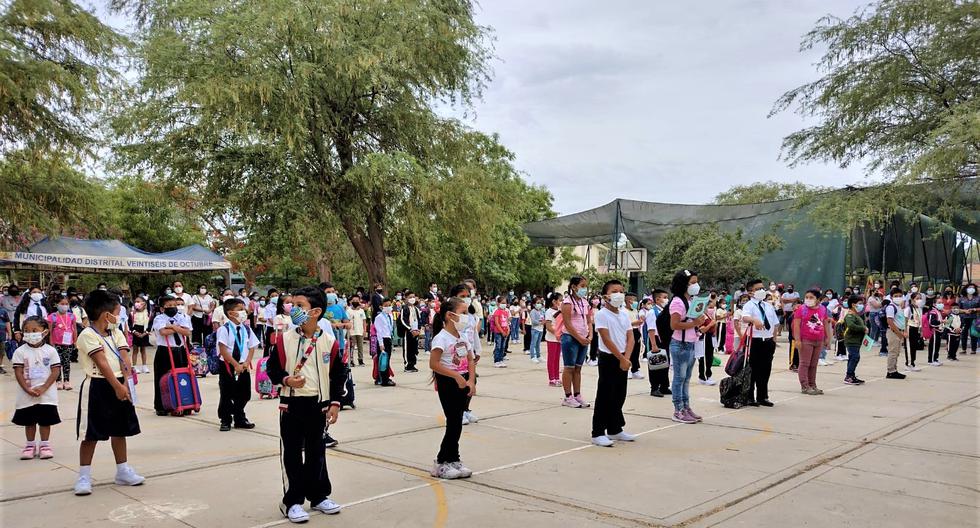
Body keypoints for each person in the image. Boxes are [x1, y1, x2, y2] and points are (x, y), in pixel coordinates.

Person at [266, 286, 343, 523]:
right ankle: (292, 501)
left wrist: (335, 403)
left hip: (318, 405)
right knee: (291, 454)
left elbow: (338, 373)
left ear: (316, 311)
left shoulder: (329, 341)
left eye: (300, 306)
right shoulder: (284, 339)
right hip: (291, 405)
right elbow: (272, 368)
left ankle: (319, 496)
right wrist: (286, 380)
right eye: (293, 305)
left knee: (316, 453)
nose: (293, 309)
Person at [73, 290, 143, 496]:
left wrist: (127, 382)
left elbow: (124, 356)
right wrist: (117, 386)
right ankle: (84, 476)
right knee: (91, 434)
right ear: (106, 315)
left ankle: (123, 470)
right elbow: (102, 363)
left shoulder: (116, 332)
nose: (119, 316)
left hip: (120, 383)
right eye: (117, 312)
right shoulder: (87, 335)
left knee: (120, 430)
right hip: (98, 386)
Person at [428, 297, 477, 478]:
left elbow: (471, 359)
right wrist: (456, 376)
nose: (466, 317)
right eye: (463, 313)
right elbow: (434, 364)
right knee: (454, 423)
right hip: (448, 383)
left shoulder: (462, 337)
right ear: (450, 315)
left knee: (457, 423)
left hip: (463, 382)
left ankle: (454, 458)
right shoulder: (441, 338)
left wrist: (471, 380)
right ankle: (441, 461)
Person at [590, 279, 636, 447]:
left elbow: (630, 337)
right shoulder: (602, 314)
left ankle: (615, 428)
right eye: (614, 291)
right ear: (606, 296)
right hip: (609, 358)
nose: (619, 294)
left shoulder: (624, 313)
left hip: (624, 358)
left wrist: (627, 358)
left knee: (619, 394)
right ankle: (598, 432)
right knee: (605, 394)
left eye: (621, 291)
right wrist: (621, 358)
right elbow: (606, 338)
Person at [12, 317, 61, 460]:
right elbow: (18, 372)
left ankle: (45, 445)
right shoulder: (20, 352)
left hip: (46, 394)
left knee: (45, 420)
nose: (29, 334)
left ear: (44, 332)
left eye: (34, 331)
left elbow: (55, 371)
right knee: (29, 421)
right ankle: (30, 445)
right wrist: (27, 389)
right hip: (27, 393)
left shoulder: (50, 351)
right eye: (26, 331)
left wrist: (44, 387)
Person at [216, 297, 259, 430]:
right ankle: (226, 419)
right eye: (239, 310)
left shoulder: (246, 329)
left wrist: (247, 362)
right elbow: (223, 350)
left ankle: (239, 417)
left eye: (243, 309)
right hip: (228, 365)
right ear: (230, 313)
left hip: (243, 365)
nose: (243, 312)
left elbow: (252, 346)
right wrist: (235, 365)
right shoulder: (224, 329)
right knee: (227, 393)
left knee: (245, 394)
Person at [669, 270, 707, 423]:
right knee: (680, 378)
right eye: (692, 282)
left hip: (690, 343)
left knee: (686, 378)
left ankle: (686, 407)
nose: (695, 285)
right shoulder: (677, 302)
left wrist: (698, 322)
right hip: (680, 344)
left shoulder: (691, 300)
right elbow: (674, 324)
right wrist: (694, 323)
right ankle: (678, 409)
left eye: (696, 282)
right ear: (683, 284)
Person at [150, 296, 193, 416]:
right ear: (163, 308)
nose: (173, 308)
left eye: (174, 305)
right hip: (164, 350)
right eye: (169, 306)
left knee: (182, 376)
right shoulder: (159, 318)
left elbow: (187, 332)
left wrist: (173, 326)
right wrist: (179, 328)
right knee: (162, 377)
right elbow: (163, 332)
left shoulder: (182, 316)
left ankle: (184, 401)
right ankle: (161, 405)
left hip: (180, 350)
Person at [741, 279, 779, 407]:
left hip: (768, 342)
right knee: (753, 369)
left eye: (763, 288)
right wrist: (754, 319)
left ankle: (763, 396)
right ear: (750, 292)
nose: (762, 291)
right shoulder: (749, 305)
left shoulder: (768, 306)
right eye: (758, 289)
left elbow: (774, 324)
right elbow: (745, 317)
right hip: (755, 341)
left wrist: (774, 340)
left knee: (765, 370)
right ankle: (750, 396)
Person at [560, 276, 593, 408]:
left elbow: (589, 320)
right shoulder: (567, 303)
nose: (585, 289)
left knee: (578, 368)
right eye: (583, 286)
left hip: (584, 338)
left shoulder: (585, 302)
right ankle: (568, 397)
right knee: (569, 368)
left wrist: (590, 335)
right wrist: (579, 338)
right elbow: (567, 324)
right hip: (570, 338)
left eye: (586, 286)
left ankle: (577, 395)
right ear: (574, 287)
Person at [792, 289, 831, 395]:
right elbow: (796, 325)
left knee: (814, 364)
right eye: (807, 297)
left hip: (819, 340)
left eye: (811, 297)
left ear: (818, 300)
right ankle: (805, 386)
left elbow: (825, 323)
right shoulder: (801, 309)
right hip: (806, 340)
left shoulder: (823, 309)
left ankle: (812, 385)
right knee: (804, 363)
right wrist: (798, 340)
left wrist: (827, 338)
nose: (808, 300)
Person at [45, 297, 77, 391]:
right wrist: (51, 343)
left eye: (66, 304)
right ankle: (58, 380)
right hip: (56, 342)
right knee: (57, 362)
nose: (64, 306)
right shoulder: (52, 316)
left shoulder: (71, 316)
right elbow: (50, 331)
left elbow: (74, 328)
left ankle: (67, 380)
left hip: (68, 342)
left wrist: (75, 340)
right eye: (62, 304)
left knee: (66, 362)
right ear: (57, 305)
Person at [645, 289, 671, 397]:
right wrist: (654, 345)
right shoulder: (652, 312)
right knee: (655, 364)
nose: (666, 299)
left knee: (665, 364)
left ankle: (664, 386)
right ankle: (654, 388)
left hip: (665, 340)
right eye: (664, 297)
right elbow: (651, 329)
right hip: (656, 340)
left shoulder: (665, 311)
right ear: (657, 299)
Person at [842, 295, 867, 385]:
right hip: (852, 340)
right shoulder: (850, 315)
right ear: (853, 304)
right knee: (854, 357)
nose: (862, 306)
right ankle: (849, 376)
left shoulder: (856, 315)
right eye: (859, 303)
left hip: (857, 340)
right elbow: (851, 326)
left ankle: (851, 375)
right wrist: (863, 328)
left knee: (853, 357)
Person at [884, 288, 909, 379]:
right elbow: (890, 321)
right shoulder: (891, 307)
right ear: (891, 297)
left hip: (898, 331)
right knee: (893, 352)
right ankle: (891, 371)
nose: (898, 298)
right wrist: (898, 333)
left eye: (900, 296)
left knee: (896, 352)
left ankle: (894, 369)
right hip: (893, 332)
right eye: (895, 296)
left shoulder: (899, 307)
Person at [372, 299, 396, 386]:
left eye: (389, 305)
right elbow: (379, 331)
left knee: (386, 359)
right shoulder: (379, 317)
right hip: (382, 339)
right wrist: (381, 344)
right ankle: (384, 379)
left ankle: (381, 377)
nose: (388, 307)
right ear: (381, 307)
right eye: (386, 305)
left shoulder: (390, 315)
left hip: (388, 338)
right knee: (383, 360)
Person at [398, 291, 421, 372]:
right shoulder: (404, 309)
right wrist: (410, 329)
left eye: (413, 297)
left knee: (414, 348)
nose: (412, 299)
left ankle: (413, 364)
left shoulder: (416, 309)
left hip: (416, 332)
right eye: (410, 297)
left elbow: (419, 320)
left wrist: (418, 329)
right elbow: (402, 320)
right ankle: (407, 365)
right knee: (407, 348)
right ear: (406, 299)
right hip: (408, 332)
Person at [543, 293, 563, 386]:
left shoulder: (560, 311)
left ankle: (557, 377)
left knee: (557, 359)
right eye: (560, 300)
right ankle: (552, 379)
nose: (561, 302)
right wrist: (557, 332)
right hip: (552, 339)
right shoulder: (549, 312)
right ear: (554, 301)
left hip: (559, 338)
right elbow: (548, 327)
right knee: (552, 359)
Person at [624, 292, 645, 380]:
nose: (635, 302)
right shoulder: (623, 311)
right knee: (629, 350)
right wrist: (634, 323)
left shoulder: (635, 310)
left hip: (636, 331)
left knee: (636, 351)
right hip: (628, 331)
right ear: (628, 300)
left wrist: (640, 322)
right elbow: (624, 324)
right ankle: (627, 369)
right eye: (633, 300)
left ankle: (635, 370)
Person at [129, 297, 151, 375]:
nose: (136, 303)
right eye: (135, 302)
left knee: (143, 349)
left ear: (144, 303)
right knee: (135, 350)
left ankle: (144, 366)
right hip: (136, 332)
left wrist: (146, 332)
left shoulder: (148, 313)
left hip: (144, 332)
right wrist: (134, 332)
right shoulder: (132, 313)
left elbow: (150, 323)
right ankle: (134, 366)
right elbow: (129, 324)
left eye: (138, 301)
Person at [490, 296, 510, 367]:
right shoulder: (497, 312)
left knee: (503, 346)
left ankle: (501, 360)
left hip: (505, 331)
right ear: (498, 303)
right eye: (502, 303)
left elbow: (507, 322)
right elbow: (497, 323)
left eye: (505, 303)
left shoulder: (506, 312)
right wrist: (502, 331)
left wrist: (508, 330)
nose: (504, 304)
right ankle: (496, 361)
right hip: (498, 332)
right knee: (498, 346)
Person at [905, 292, 924, 372]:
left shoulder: (919, 309)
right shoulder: (909, 308)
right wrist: (905, 331)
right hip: (910, 328)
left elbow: (920, 320)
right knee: (909, 347)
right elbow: (905, 320)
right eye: (917, 298)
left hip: (916, 328)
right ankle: (909, 364)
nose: (919, 300)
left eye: (920, 298)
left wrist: (921, 330)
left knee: (914, 347)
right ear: (912, 300)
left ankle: (913, 363)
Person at [958, 283, 979, 354]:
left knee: (973, 333)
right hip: (964, 318)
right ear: (966, 288)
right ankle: (963, 349)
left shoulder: (978, 298)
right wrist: (964, 311)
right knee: (964, 333)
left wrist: (974, 309)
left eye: (973, 288)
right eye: (970, 287)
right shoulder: (962, 298)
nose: (971, 289)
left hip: (974, 318)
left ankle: (973, 349)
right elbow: (957, 309)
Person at [923, 296, 943, 366]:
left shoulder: (938, 312)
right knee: (933, 346)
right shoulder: (933, 312)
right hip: (934, 331)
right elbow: (932, 322)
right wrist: (941, 322)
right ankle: (931, 360)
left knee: (937, 345)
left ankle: (935, 359)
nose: (941, 304)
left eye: (942, 303)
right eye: (939, 303)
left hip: (938, 331)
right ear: (934, 304)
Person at [347, 298, 367, 366]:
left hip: (360, 331)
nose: (355, 302)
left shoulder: (361, 311)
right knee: (352, 346)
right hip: (352, 331)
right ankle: (351, 360)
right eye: (354, 301)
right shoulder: (348, 311)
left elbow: (364, 321)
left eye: (357, 301)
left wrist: (365, 330)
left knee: (360, 346)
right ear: (351, 302)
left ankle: (360, 360)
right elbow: (347, 321)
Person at [528, 298, 545, 364]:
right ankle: (532, 356)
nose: (539, 304)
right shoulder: (533, 311)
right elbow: (533, 321)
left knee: (538, 344)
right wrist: (540, 322)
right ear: (534, 304)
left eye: (540, 303)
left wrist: (543, 322)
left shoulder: (541, 311)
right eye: (538, 303)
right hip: (535, 329)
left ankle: (538, 356)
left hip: (541, 329)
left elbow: (543, 318)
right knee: (533, 343)